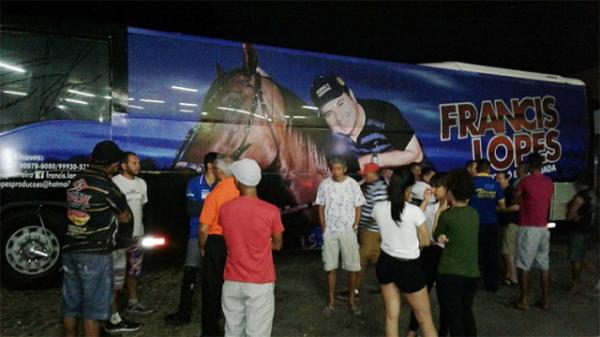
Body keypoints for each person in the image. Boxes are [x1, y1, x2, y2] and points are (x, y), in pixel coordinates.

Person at [61, 140, 131, 337]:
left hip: (70, 248)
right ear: (114, 164)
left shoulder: (75, 181)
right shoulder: (107, 186)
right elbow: (124, 217)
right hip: (95, 252)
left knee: (70, 305)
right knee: (92, 311)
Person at [220, 158, 284, 337]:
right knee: (258, 332)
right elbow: (278, 245)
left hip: (232, 280)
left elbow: (230, 237)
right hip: (260, 281)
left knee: (232, 330)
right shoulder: (271, 210)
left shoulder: (225, 209)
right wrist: (263, 244)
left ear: (237, 181)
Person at [311, 73, 423, 173]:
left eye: (341, 104)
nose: (339, 117)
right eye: (329, 114)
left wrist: (370, 160)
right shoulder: (330, 138)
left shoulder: (383, 113)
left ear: (352, 96)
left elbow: (416, 154)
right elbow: (347, 172)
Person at [372, 168, 437, 337]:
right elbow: (424, 241)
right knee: (425, 319)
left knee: (391, 317)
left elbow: (398, 221)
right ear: (408, 189)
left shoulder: (378, 208)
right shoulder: (413, 212)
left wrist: (422, 203)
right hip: (409, 268)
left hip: (385, 263)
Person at [165, 152, 219, 325]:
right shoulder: (194, 183)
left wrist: (206, 206)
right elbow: (192, 209)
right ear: (210, 166)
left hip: (217, 235)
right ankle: (183, 314)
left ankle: (214, 316)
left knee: (215, 277)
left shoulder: (223, 184)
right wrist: (215, 206)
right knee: (190, 274)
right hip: (196, 234)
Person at [315, 157, 365, 315]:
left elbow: (358, 207)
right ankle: (331, 301)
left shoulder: (352, 184)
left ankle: (351, 301)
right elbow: (321, 207)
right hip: (330, 232)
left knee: (352, 268)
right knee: (330, 268)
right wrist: (324, 227)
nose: (335, 171)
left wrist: (355, 226)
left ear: (344, 169)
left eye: (338, 168)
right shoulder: (325, 184)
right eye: (333, 168)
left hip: (348, 232)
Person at [434, 168, 479, 337]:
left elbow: (435, 235)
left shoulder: (447, 216)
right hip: (471, 273)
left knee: (453, 316)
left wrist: (439, 213)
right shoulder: (474, 214)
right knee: (466, 312)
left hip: (450, 273)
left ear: (451, 192)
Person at [199, 155, 240, 337]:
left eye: (215, 170)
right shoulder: (241, 190)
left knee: (212, 287)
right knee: (235, 286)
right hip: (237, 241)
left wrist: (202, 247)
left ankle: (210, 330)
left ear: (220, 172)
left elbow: (203, 228)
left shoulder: (214, 194)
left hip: (216, 242)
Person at [111, 152, 154, 315]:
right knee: (116, 276)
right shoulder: (114, 183)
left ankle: (133, 303)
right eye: (134, 163)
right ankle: (113, 312)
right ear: (123, 165)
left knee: (134, 271)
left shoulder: (142, 183)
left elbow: (141, 208)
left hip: (137, 237)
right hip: (119, 239)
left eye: (138, 163)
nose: (138, 166)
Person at [338, 162, 388, 301]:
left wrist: (360, 225)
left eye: (366, 174)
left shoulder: (378, 189)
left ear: (373, 174)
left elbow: (375, 213)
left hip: (371, 232)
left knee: (360, 262)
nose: (364, 176)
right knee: (379, 261)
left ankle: (353, 292)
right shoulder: (375, 186)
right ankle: (386, 286)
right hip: (373, 231)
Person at [407, 173, 449, 337]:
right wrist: (425, 201)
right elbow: (415, 219)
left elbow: (438, 234)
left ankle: (443, 331)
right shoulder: (431, 206)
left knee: (444, 298)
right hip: (429, 253)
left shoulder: (452, 210)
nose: (433, 190)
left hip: (444, 254)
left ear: (446, 189)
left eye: (437, 187)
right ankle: (412, 330)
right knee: (420, 294)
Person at [511, 153, 554, 311]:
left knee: (524, 265)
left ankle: (524, 300)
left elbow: (515, 200)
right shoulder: (549, 182)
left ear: (529, 166)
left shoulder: (525, 182)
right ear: (542, 165)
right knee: (544, 265)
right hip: (544, 227)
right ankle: (545, 301)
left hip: (528, 227)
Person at [469, 159, 505, 292]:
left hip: (473, 224)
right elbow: (502, 206)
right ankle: (491, 284)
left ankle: (473, 283)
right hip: (491, 224)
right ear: (489, 170)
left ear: (477, 169)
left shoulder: (471, 183)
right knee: (491, 255)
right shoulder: (495, 184)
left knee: (474, 254)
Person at [565, 173, 598, 294]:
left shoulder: (579, 198)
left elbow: (570, 215)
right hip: (586, 230)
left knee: (576, 259)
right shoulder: (591, 195)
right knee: (582, 258)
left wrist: (569, 215)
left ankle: (576, 284)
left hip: (577, 231)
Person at [495, 171, 520, 286]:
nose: (497, 181)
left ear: (506, 180)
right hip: (506, 224)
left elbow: (516, 207)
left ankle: (513, 277)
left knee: (508, 251)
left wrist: (501, 209)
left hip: (511, 224)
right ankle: (508, 274)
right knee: (507, 251)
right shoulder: (502, 192)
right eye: (496, 178)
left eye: (500, 178)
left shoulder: (510, 191)